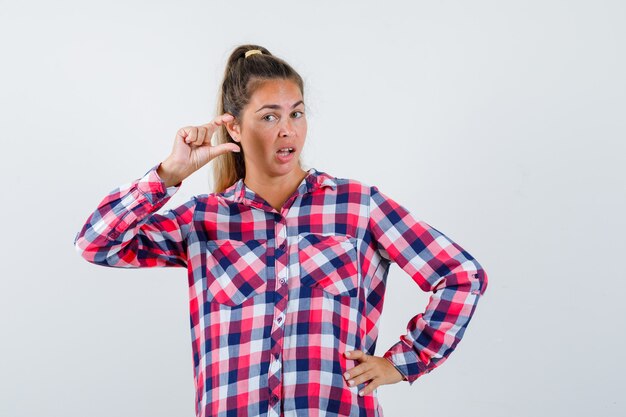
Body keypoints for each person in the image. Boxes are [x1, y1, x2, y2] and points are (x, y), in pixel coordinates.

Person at [74, 44, 488, 417]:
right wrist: (168, 175)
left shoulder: (358, 207)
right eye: (270, 116)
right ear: (235, 128)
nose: (288, 129)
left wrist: (403, 362)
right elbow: (96, 244)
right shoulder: (202, 219)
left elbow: (461, 276)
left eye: (297, 113)